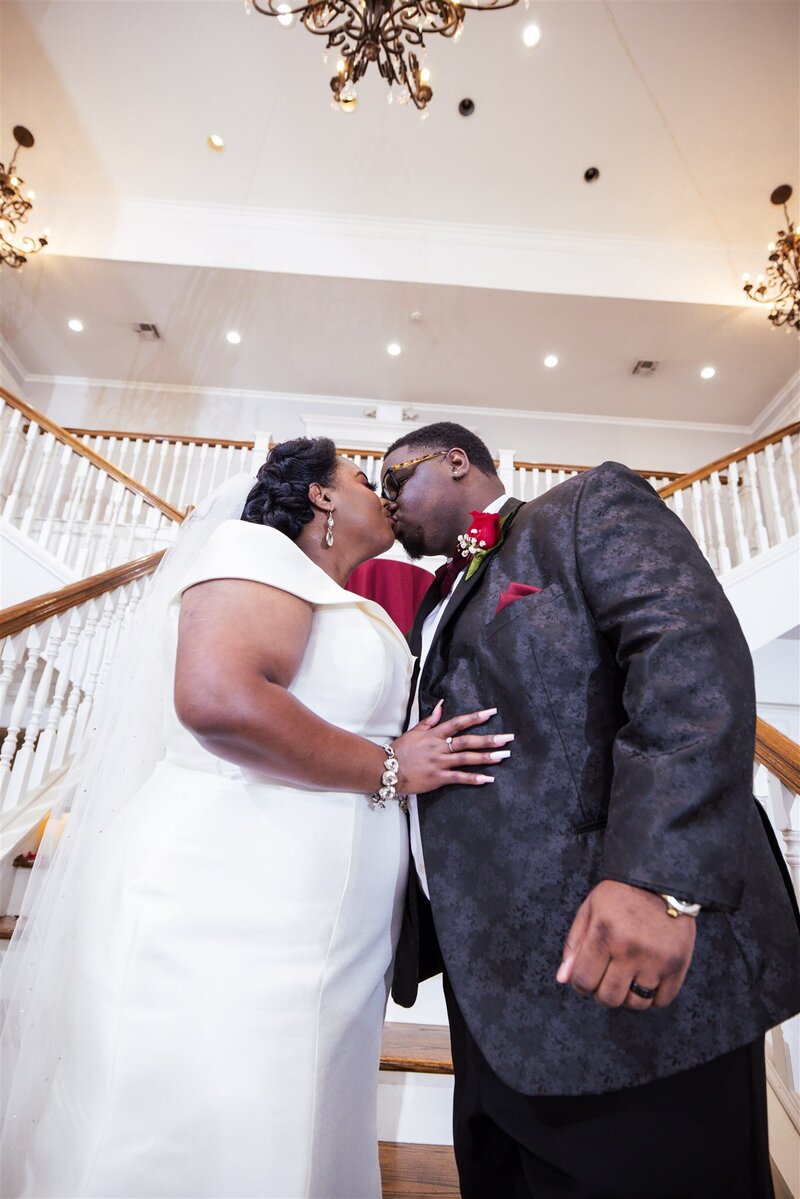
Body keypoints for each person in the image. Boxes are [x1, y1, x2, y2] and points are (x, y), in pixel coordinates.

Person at [0, 437, 513, 1199]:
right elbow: (221, 700)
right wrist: (390, 767)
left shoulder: (337, 595)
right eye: (362, 480)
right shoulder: (252, 551)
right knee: (217, 1125)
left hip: (307, 916)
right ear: (322, 497)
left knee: (291, 1118)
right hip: (231, 903)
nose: (382, 494)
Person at [381, 421, 800, 1199]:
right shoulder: (438, 595)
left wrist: (656, 878)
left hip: (621, 969)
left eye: (394, 481)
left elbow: (688, 655)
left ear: (455, 460)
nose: (386, 505)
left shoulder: (581, 507)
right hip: (491, 991)